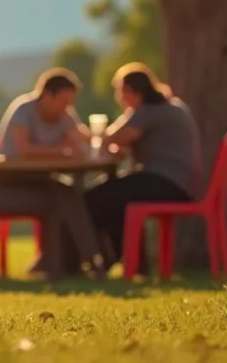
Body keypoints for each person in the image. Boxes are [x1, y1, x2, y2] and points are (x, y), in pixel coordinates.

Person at [0, 69, 104, 279]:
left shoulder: (64, 115)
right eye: (63, 101)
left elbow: (80, 142)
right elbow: (24, 150)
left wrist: (99, 140)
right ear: (47, 95)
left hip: (39, 184)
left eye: (70, 103)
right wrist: (61, 150)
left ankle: (78, 260)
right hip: (4, 189)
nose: (67, 107)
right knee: (61, 199)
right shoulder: (23, 110)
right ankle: (80, 262)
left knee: (69, 194)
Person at [86, 63, 203, 267]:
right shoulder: (171, 106)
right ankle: (130, 260)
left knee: (92, 200)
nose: (119, 98)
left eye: (120, 92)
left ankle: (114, 256)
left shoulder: (149, 110)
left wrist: (101, 136)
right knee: (112, 196)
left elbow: (114, 137)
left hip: (166, 182)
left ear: (130, 91)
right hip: (180, 184)